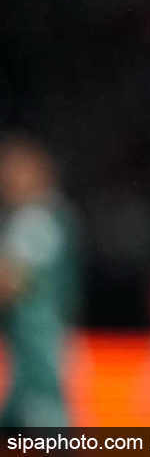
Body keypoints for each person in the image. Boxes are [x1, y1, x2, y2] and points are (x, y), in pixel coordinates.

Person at [0, 135, 79, 427]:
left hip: (43, 355)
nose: (8, 178)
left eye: (16, 169)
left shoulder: (40, 220)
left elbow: (10, 282)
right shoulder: (20, 218)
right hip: (21, 355)